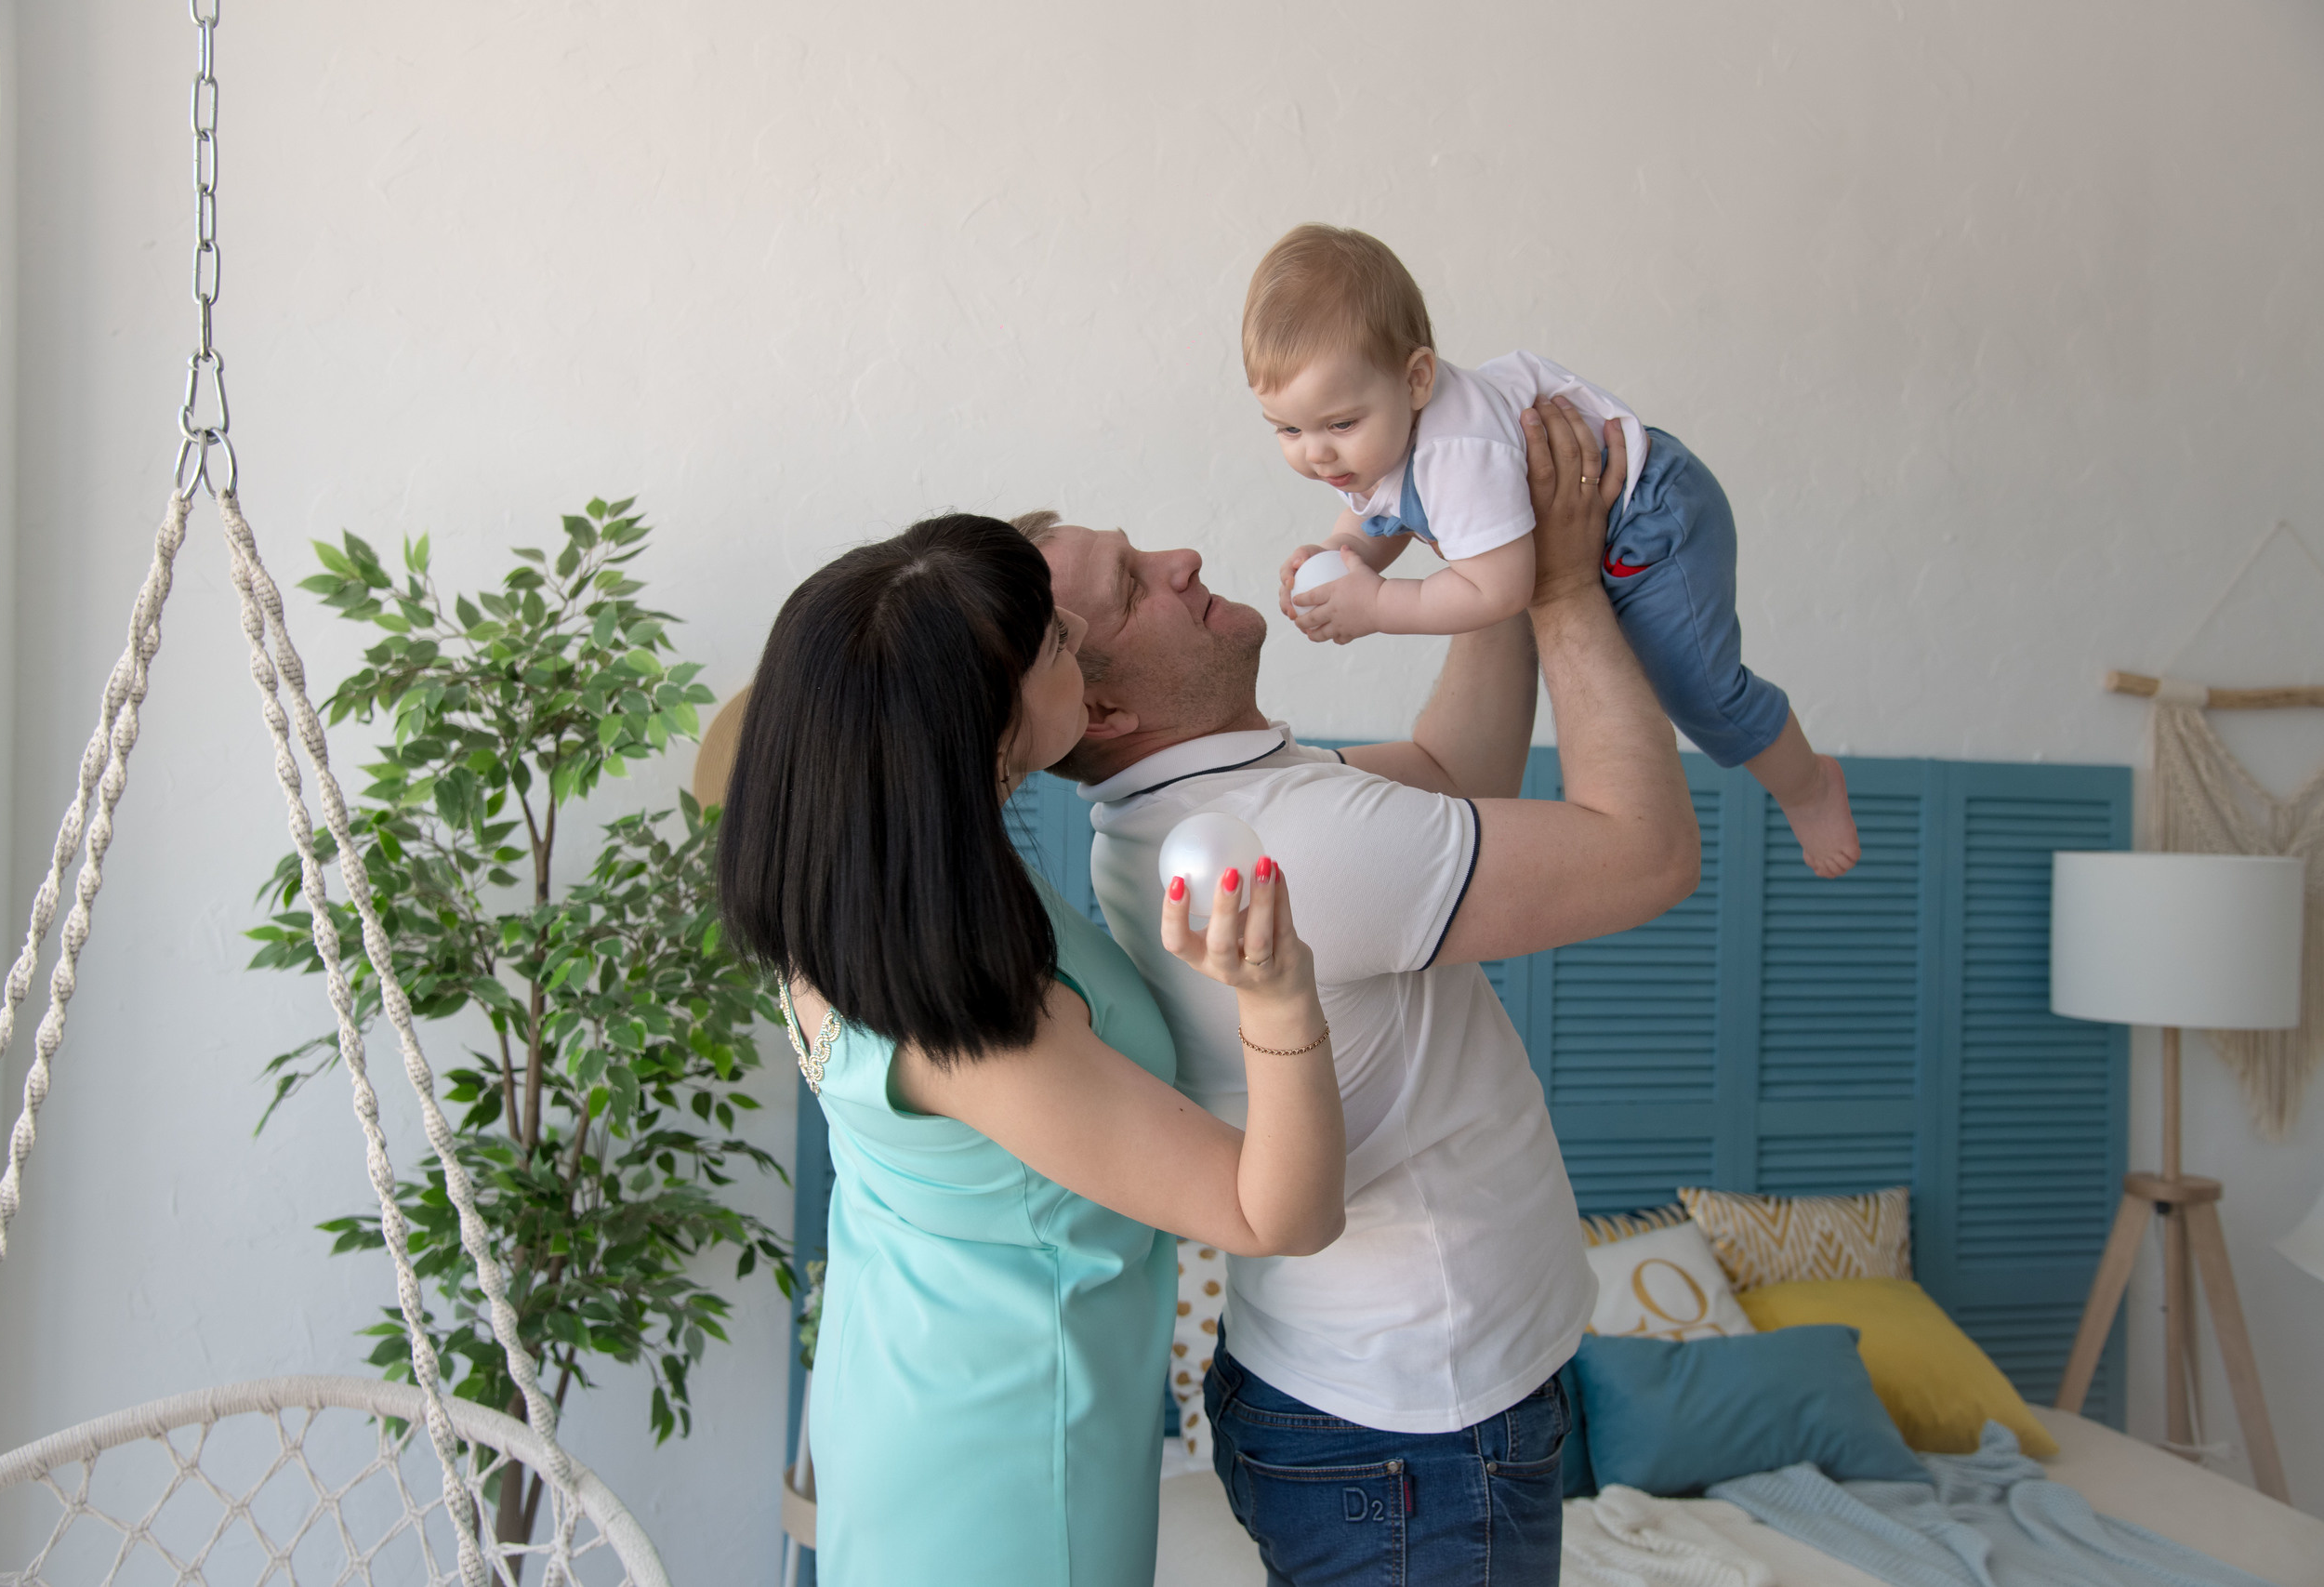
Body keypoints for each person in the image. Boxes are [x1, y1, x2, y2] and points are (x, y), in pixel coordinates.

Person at [1025, 398, 1700, 1586]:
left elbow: (1452, 776)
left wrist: (1484, 536)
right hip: (1419, 1440)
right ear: (1109, 710)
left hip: (1369, 1406)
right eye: (1135, 587)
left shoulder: (1192, 809)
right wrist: (1557, 584)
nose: (1182, 560)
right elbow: (1648, 854)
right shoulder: (1295, 840)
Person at [716, 515, 1349, 1587]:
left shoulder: (844, 896)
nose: (1074, 633)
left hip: (898, 1390)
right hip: (1004, 1470)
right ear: (981, 726)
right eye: (1054, 643)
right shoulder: (983, 1026)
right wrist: (1278, 996)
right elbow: (1277, 1213)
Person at [1249, 222, 1858, 879]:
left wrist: (1375, 605)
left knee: (1699, 693)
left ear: (1418, 378)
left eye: (1340, 424)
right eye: (1287, 428)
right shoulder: (1386, 437)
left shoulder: (1459, 451)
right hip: (1604, 525)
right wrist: (1340, 557)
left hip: (1652, 517)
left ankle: (1809, 785)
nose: (1316, 454)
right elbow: (1382, 515)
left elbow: (1499, 589)